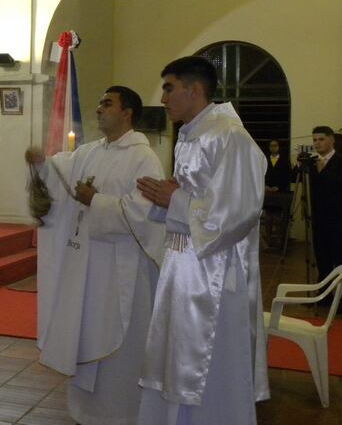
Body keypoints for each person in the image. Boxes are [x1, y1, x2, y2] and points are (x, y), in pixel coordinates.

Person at [136, 56, 269, 425]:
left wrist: (174, 199)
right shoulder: (190, 135)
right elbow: (196, 199)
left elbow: (239, 212)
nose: (163, 99)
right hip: (182, 265)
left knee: (208, 362)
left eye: (168, 88)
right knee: (174, 355)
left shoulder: (229, 135)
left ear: (194, 90)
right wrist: (170, 198)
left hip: (214, 273)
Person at [27, 86, 166, 425]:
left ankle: (122, 412)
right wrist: (41, 164)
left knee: (121, 344)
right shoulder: (90, 151)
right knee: (85, 331)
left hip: (123, 269)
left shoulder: (143, 157)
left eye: (108, 103)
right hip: (87, 266)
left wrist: (95, 201)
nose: (99, 108)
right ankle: (86, 410)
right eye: (100, 101)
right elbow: (60, 174)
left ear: (127, 113)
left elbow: (145, 215)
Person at [308, 126, 342, 312]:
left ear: (331, 140)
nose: (317, 143)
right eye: (315, 140)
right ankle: (324, 296)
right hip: (319, 218)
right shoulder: (311, 163)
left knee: (341, 258)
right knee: (322, 258)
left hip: (336, 218)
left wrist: (322, 171)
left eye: (321, 139)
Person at [263, 139, 292, 249]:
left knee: (278, 218)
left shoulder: (284, 160)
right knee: (268, 217)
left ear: (279, 147)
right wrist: (265, 186)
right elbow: (261, 174)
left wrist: (278, 187)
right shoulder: (264, 159)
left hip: (280, 192)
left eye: (275, 145)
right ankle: (269, 240)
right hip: (268, 192)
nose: (273, 147)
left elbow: (287, 176)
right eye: (271, 146)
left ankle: (280, 240)